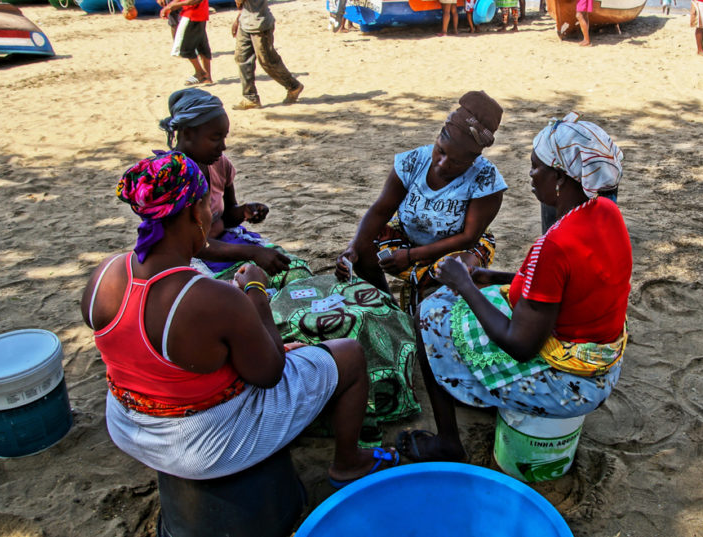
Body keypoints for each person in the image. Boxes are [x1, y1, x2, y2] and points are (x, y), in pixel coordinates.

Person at [81, 151, 398, 486]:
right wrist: (256, 290)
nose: (209, 215)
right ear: (194, 212)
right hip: (199, 446)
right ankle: (348, 463)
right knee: (349, 355)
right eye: (206, 206)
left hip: (127, 427)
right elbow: (270, 373)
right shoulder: (212, 298)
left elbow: (148, 348)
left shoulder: (106, 275)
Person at [399, 112, 631, 463]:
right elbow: (569, 284)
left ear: (559, 179)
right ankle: (489, 394)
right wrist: (497, 278)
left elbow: (520, 345)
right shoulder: (605, 211)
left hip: (570, 384)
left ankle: (448, 441)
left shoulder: (555, 245)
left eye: (537, 167)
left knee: (430, 314)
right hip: (601, 361)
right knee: (473, 299)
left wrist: (464, 284)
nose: (531, 173)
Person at [335, 91, 507, 308]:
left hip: (458, 245)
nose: (442, 164)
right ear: (437, 139)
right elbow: (381, 210)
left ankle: (430, 310)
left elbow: (468, 237)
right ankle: (390, 308)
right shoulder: (412, 161)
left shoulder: (487, 181)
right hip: (409, 234)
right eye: (440, 151)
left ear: (473, 160)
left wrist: (410, 256)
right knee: (362, 250)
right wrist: (353, 247)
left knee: (456, 274)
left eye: (455, 161)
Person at [159, 88, 309, 288]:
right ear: (187, 134)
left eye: (224, 137)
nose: (223, 146)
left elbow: (226, 215)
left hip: (227, 243)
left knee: (296, 272)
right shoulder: (171, 177)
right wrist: (253, 253)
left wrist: (245, 211)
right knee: (237, 294)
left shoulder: (219, 164)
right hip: (192, 257)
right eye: (215, 138)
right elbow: (189, 244)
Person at [228, 0, 303, 110]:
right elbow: (245, 0)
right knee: (242, 58)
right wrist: (238, 18)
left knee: (267, 60)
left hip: (258, 22)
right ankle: (250, 97)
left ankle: (293, 85)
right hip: (248, 20)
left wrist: (239, 5)